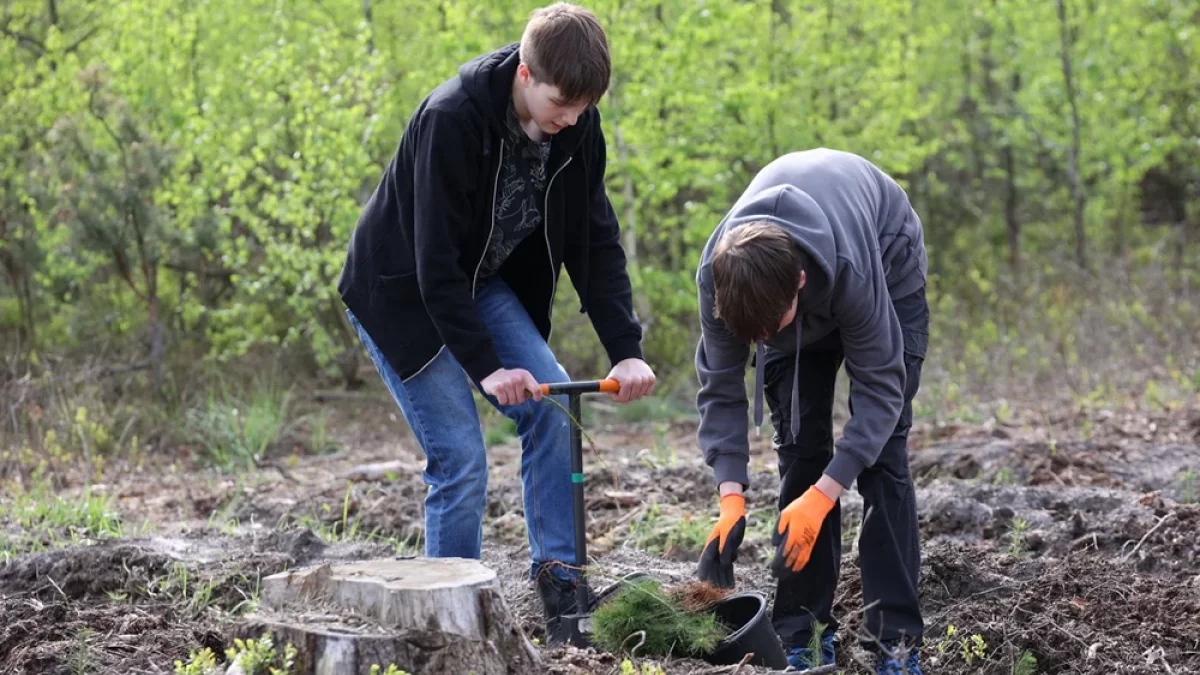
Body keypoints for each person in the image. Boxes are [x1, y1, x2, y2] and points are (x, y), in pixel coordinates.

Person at [336, 2, 656, 643]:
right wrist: (487, 368)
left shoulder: (577, 128)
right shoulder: (451, 119)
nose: (570, 117)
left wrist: (625, 347)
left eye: (584, 107)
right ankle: (448, 622)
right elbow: (433, 267)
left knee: (553, 408)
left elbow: (596, 240)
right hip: (400, 291)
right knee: (459, 459)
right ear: (525, 71)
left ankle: (561, 585)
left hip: (479, 282)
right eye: (561, 101)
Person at [692, 148, 929, 674]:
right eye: (757, 336)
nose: (767, 340)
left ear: (799, 281)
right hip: (781, 284)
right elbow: (721, 386)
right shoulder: (721, 280)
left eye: (774, 327)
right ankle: (804, 635)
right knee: (800, 449)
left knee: (882, 457)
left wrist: (827, 494)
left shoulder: (849, 269)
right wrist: (730, 494)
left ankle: (896, 644)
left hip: (885, 258)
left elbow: (881, 390)